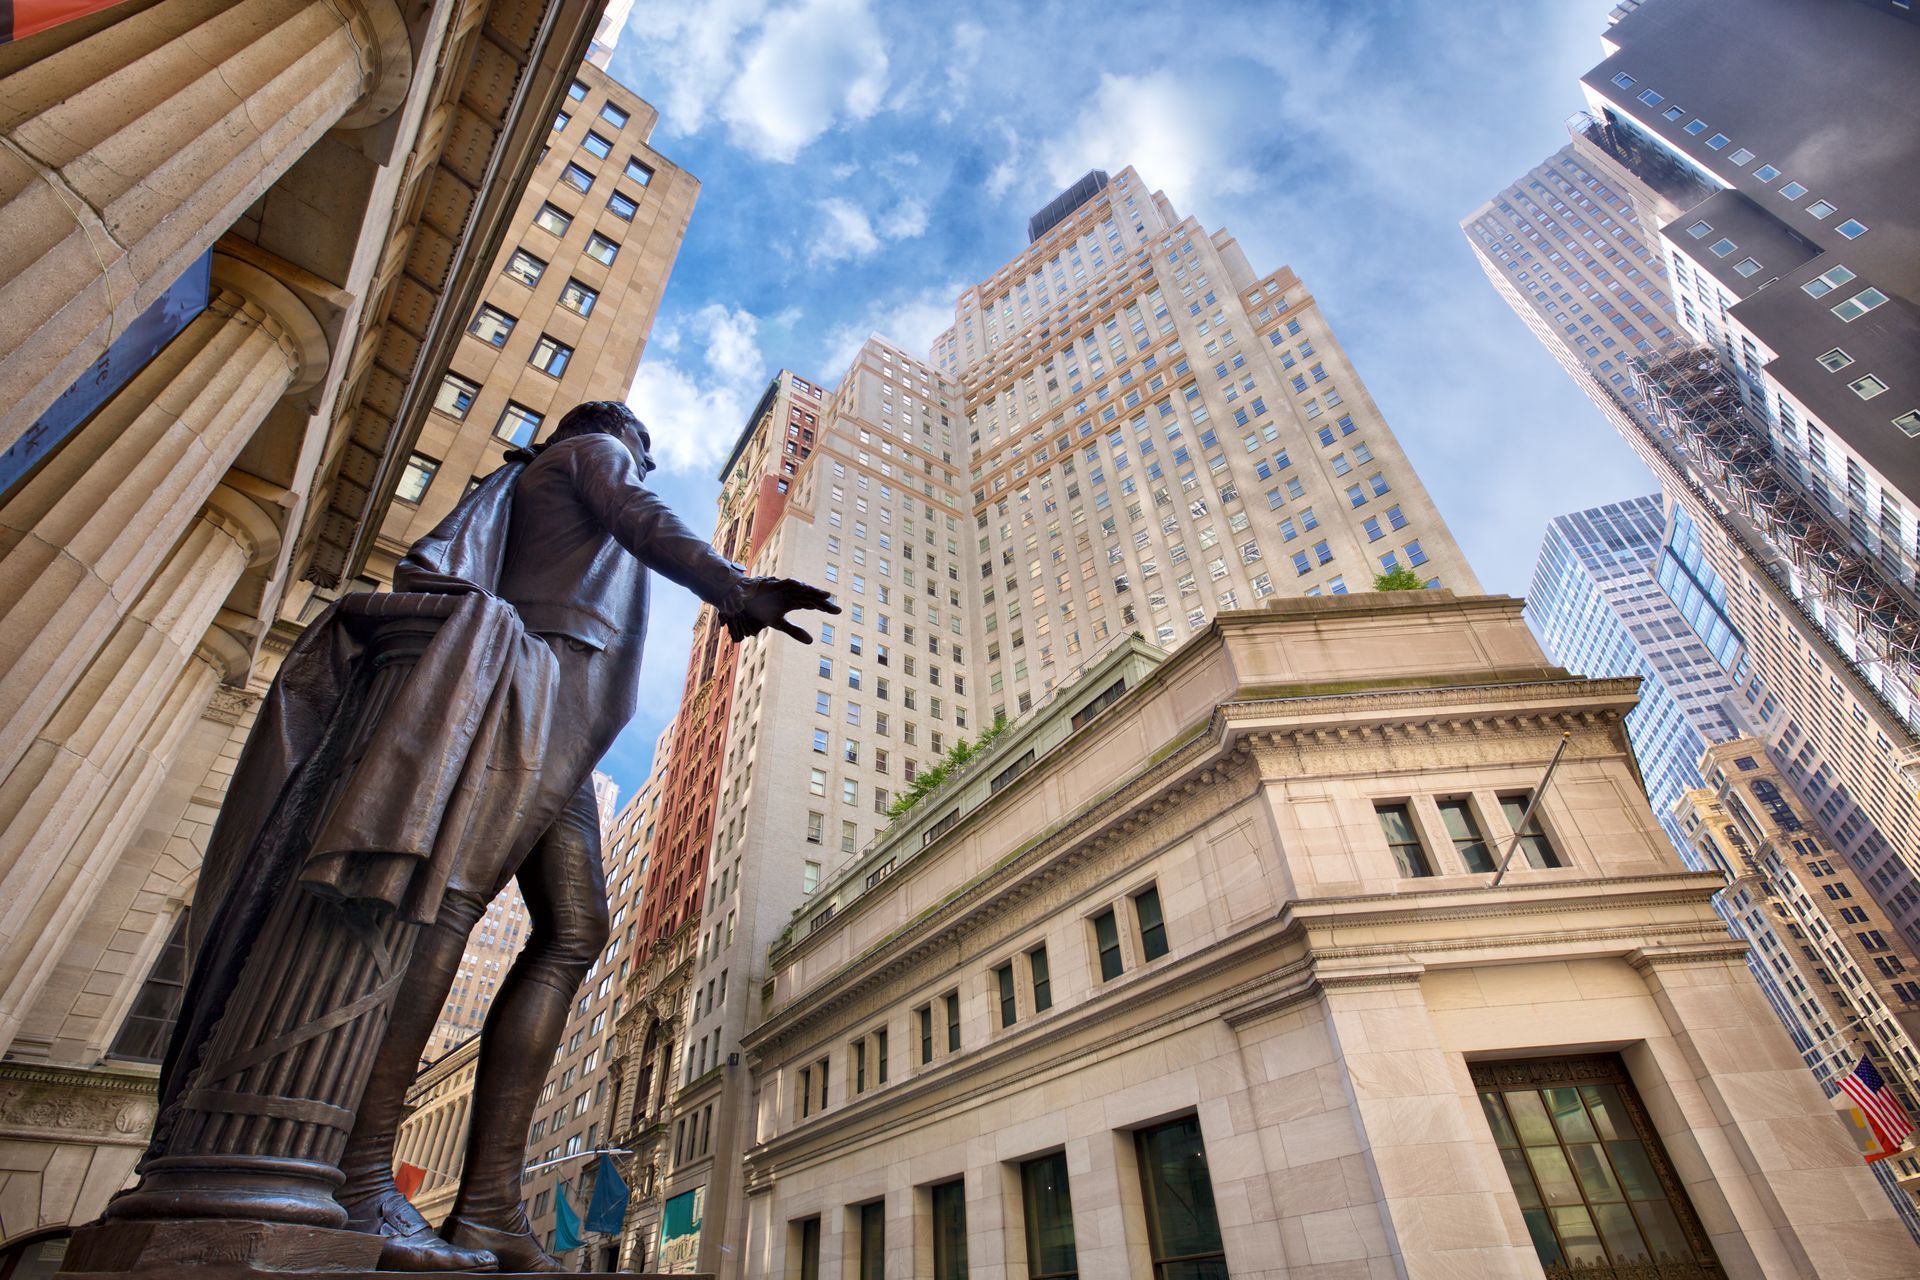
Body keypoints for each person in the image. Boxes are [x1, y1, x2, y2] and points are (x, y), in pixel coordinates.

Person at [321, 402, 834, 1271]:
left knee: (576, 928)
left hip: (563, 706)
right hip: (532, 683)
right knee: (454, 902)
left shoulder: (544, 476)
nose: (647, 462)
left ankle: (485, 1209)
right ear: (613, 435)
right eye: (647, 447)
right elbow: (641, 517)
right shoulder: (593, 451)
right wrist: (731, 585)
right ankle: (363, 1180)